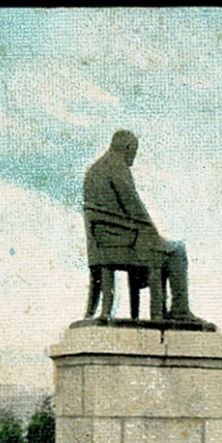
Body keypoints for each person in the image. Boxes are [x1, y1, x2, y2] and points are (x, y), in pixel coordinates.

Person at [83, 129, 200, 321]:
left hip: (104, 242)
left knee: (166, 248)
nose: (133, 158)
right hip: (124, 241)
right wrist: (152, 231)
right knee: (177, 250)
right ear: (128, 147)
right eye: (134, 152)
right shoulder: (117, 166)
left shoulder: (95, 169)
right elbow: (133, 205)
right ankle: (179, 310)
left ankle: (169, 311)